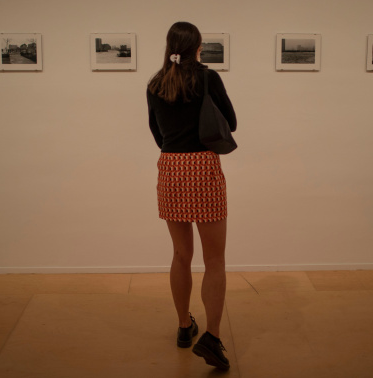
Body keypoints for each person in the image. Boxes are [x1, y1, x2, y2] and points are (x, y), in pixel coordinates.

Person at [146, 21, 237, 371]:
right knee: (215, 260)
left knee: (181, 254)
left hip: (170, 168)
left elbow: (157, 132)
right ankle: (211, 337)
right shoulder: (207, 78)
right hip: (202, 166)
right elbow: (231, 120)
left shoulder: (155, 83)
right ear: (196, 47)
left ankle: (185, 327)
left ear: (170, 45)